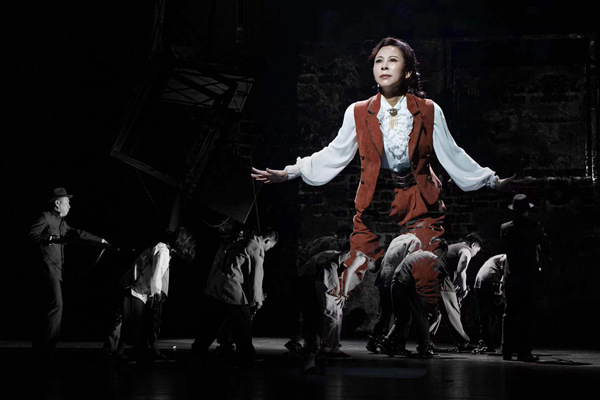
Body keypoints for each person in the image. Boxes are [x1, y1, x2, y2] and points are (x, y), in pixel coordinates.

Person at [251, 37, 524, 305]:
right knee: (360, 263)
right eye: (378, 61)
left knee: (423, 269)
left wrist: (493, 181)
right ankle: (339, 318)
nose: (383, 65)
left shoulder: (429, 110)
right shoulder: (358, 111)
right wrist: (290, 172)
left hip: (420, 198)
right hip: (376, 196)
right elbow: (334, 152)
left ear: (407, 71)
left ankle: (421, 322)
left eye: (392, 60)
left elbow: (452, 152)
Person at [28, 187, 109, 359]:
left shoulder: (61, 223)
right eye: (67, 203)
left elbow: (78, 233)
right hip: (47, 270)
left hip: (57, 271)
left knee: (48, 307)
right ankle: (48, 348)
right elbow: (31, 235)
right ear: (57, 203)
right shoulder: (45, 217)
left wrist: (100, 241)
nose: (70, 206)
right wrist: (49, 238)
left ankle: (40, 347)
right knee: (57, 305)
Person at [106, 227, 196, 361]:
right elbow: (156, 274)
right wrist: (157, 293)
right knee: (133, 323)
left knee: (130, 323)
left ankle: (120, 352)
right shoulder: (163, 251)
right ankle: (123, 352)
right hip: (135, 288)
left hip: (137, 288)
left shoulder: (162, 249)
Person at [191, 228, 278, 363]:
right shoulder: (256, 247)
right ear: (267, 240)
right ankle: (246, 354)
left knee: (213, 320)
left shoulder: (240, 243)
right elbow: (256, 276)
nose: (267, 250)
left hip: (219, 285)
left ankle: (198, 349)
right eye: (269, 247)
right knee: (243, 321)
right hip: (232, 288)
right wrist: (257, 299)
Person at [501, 194, 550, 362]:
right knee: (526, 314)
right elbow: (546, 248)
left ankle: (507, 350)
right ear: (527, 210)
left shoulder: (505, 228)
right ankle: (524, 351)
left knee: (509, 313)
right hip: (528, 275)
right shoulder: (534, 227)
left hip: (511, 275)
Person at [384, 237, 449, 358]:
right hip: (407, 284)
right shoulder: (432, 258)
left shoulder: (418, 253)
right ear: (440, 251)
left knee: (402, 318)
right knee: (422, 315)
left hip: (396, 283)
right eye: (442, 255)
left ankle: (387, 342)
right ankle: (424, 348)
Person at [367, 232, 421, 354]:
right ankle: (397, 346)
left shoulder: (397, 239)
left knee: (384, 313)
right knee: (403, 315)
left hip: (384, 278)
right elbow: (410, 262)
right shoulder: (415, 241)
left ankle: (373, 341)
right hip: (397, 280)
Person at [430, 232, 484, 351]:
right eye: (477, 250)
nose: (475, 254)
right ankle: (462, 342)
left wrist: (455, 288)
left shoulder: (455, 248)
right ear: (473, 245)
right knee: (452, 309)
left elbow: (455, 272)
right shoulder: (466, 251)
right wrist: (464, 290)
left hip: (430, 274)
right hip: (439, 276)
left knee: (436, 311)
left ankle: (426, 340)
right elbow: (461, 272)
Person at [473, 254, 507, 354]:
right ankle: (496, 342)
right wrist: (501, 294)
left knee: (485, 316)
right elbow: (504, 277)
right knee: (497, 315)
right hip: (490, 281)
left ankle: (486, 342)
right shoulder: (507, 257)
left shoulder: (497, 258)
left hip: (479, 282)